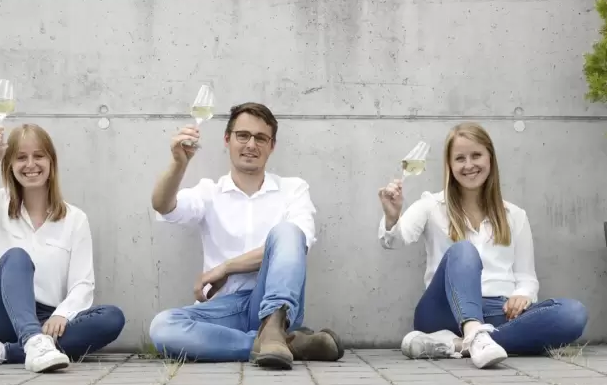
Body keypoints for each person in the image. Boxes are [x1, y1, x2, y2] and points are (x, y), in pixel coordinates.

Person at [148, 102, 344, 370]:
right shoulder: (209, 192)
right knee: (163, 327)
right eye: (243, 136)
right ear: (227, 140)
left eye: (261, 138)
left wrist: (227, 267)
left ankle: (274, 328)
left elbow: (297, 245)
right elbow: (162, 205)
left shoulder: (293, 189)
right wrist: (178, 164)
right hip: (225, 309)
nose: (251, 144)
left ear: (272, 146)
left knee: (288, 232)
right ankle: (277, 344)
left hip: (276, 301)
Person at [377, 122, 588, 369]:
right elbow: (394, 240)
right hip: (443, 312)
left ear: (490, 158)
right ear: (449, 165)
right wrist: (392, 216)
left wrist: (522, 295)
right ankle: (474, 333)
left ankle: (456, 345)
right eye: (460, 158)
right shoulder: (431, 205)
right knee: (463, 250)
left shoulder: (515, 215)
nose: (469, 165)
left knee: (573, 314)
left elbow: (526, 278)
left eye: (476, 155)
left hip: (499, 313)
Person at [0, 123, 125, 373]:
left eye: (39, 156)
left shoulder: (75, 219)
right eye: (21, 157)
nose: (30, 164)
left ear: (51, 162)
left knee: (111, 317)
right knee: (17, 257)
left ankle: (0, 351)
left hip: (46, 318)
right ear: (9, 165)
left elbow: (82, 283)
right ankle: (34, 342)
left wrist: (62, 314)